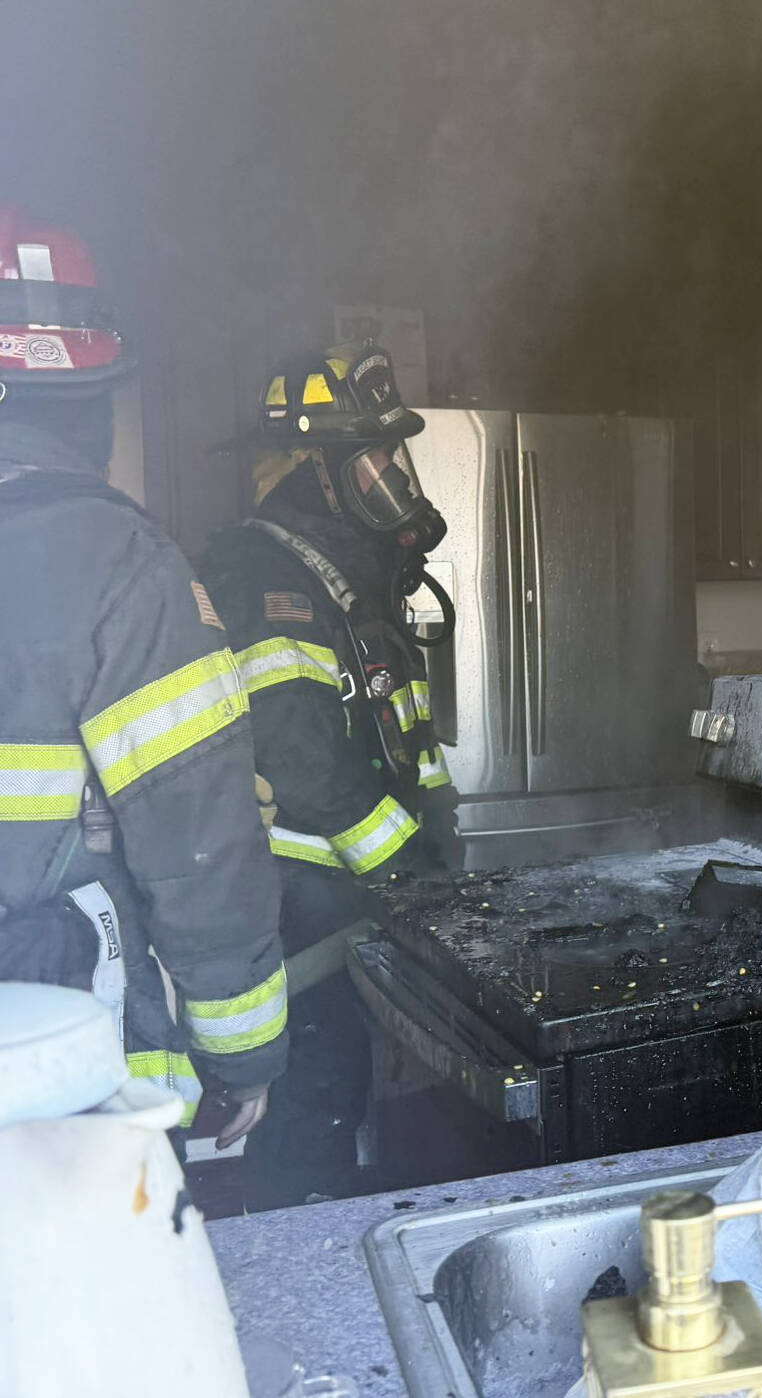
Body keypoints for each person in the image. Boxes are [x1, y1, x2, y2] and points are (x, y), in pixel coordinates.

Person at [0, 206, 287, 1146]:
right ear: (90, 402)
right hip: (59, 1063)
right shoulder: (123, 565)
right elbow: (200, 836)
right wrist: (243, 1055)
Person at [199, 342, 460, 1205]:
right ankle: (298, 1298)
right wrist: (405, 869)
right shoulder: (263, 574)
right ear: (318, 470)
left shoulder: (338, 575)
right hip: (298, 922)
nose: (395, 480)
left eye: (395, 459)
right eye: (375, 461)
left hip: (344, 910)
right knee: (311, 1111)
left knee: (342, 1098)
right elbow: (299, 756)